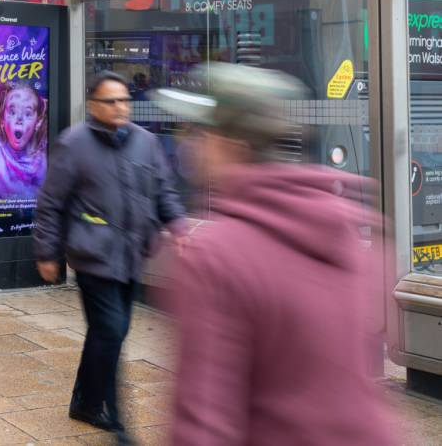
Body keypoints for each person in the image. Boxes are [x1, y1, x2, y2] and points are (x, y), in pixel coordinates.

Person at [151, 64, 394, 446]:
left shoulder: (216, 257)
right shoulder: (347, 230)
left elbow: (203, 422)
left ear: (233, 146)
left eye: (202, 132)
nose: (191, 142)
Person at [34, 71, 186, 444]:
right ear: (93, 105)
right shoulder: (74, 144)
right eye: (111, 101)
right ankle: (117, 423)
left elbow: (163, 190)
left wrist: (178, 225)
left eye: (124, 100)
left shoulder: (146, 143)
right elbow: (51, 204)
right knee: (112, 333)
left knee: (107, 334)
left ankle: (84, 401)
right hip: (93, 256)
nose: (120, 107)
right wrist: (47, 252)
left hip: (133, 254)